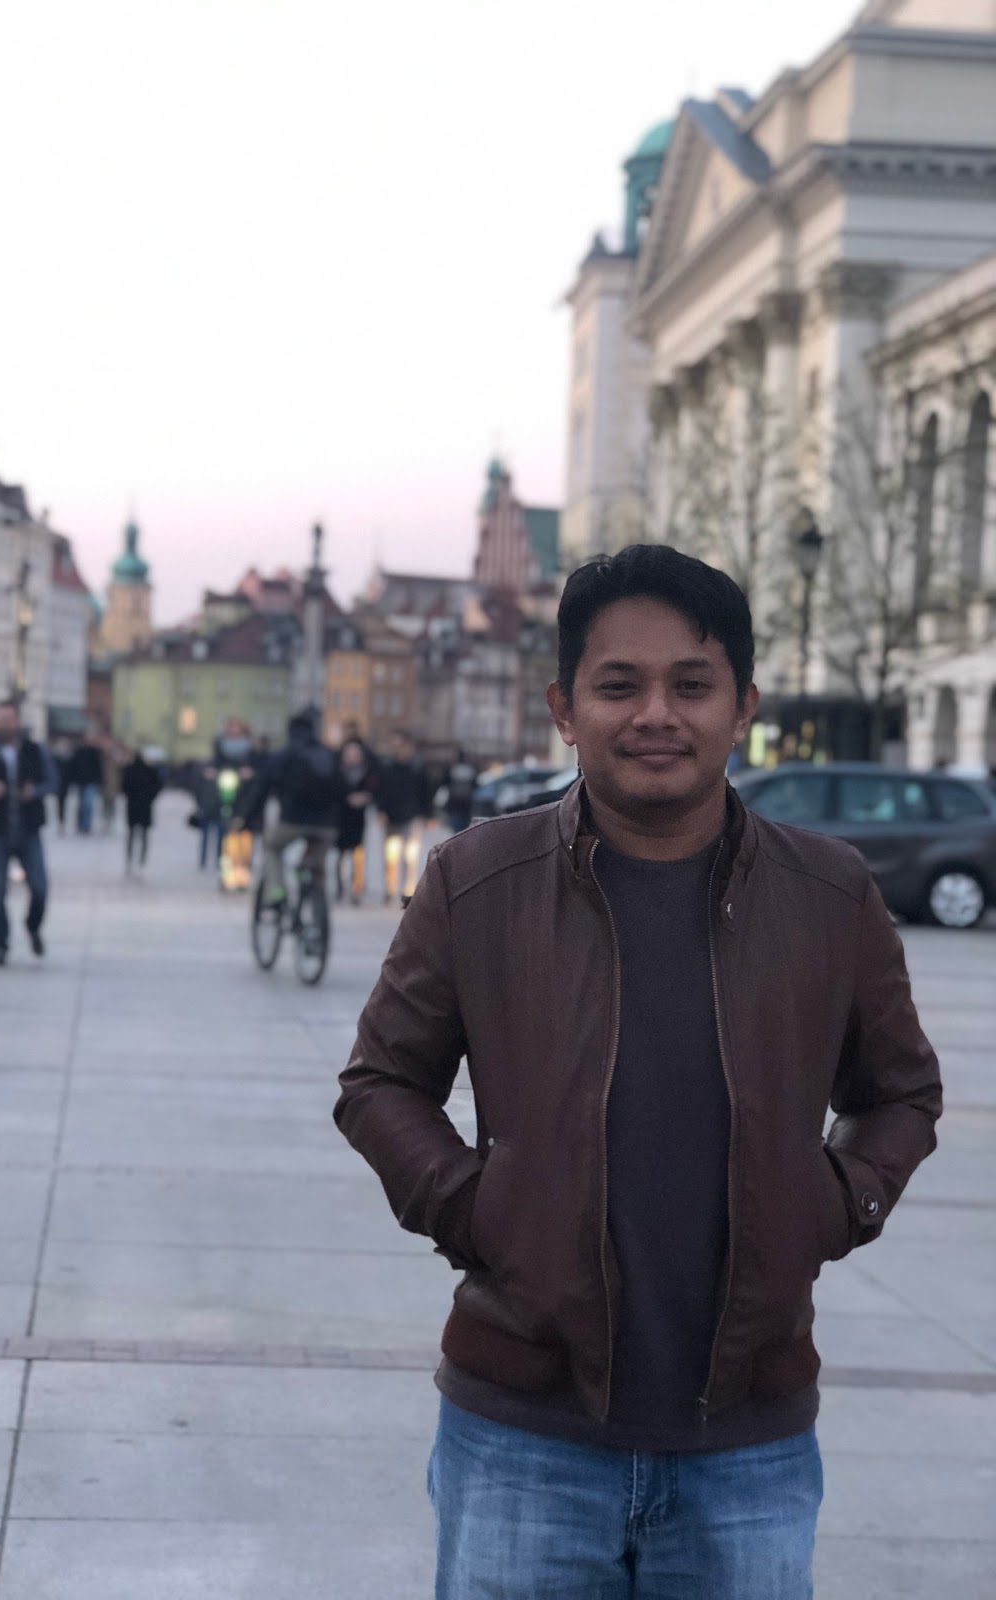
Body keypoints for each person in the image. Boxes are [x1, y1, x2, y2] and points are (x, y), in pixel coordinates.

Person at [334, 544, 942, 1600]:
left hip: (748, 1442)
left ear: (742, 707)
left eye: (691, 685)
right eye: (619, 685)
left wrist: (834, 1203)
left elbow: (902, 1093)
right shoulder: (477, 882)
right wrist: (478, 1211)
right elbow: (381, 1081)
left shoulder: (830, 895)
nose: (656, 714)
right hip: (522, 1431)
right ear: (565, 709)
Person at [0, 701, 55, 967]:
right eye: (2, 719)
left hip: (29, 829)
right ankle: (0, 943)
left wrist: (35, 791)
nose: (6, 724)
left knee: (40, 888)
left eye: (10, 719)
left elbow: (53, 782)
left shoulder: (35, 751)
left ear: (18, 721)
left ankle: (33, 926)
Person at [238, 712, 345, 906]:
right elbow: (342, 789)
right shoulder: (328, 755)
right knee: (317, 861)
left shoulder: (283, 755)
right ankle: (316, 894)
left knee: (271, 846)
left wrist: (246, 818)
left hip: (292, 822)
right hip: (326, 826)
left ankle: (277, 890)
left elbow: (260, 791)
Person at [374, 729, 432, 904]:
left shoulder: (417, 768)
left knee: (409, 856)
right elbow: (380, 790)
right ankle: (389, 889)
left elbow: (426, 792)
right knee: (390, 856)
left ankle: (406, 889)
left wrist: (427, 814)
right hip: (391, 817)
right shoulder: (386, 767)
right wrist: (381, 810)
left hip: (411, 816)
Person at [212, 718, 257, 891]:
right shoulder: (221, 746)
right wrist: (213, 773)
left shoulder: (250, 749)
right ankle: (225, 875)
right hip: (226, 796)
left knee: (244, 840)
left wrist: (249, 773)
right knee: (225, 838)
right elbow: (215, 764)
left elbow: (258, 768)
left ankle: (242, 876)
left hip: (245, 797)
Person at [335, 736, 376, 904]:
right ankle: (339, 888)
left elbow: (374, 790)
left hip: (357, 818)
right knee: (339, 855)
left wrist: (365, 797)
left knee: (357, 855)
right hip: (341, 817)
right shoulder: (337, 771)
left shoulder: (367, 772)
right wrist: (347, 798)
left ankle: (356, 888)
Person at [121, 749, 164, 873]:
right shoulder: (150, 771)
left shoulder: (129, 770)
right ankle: (142, 860)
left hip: (133, 806)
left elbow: (124, 787)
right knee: (144, 835)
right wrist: (150, 798)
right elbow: (158, 786)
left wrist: (130, 796)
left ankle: (129, 859)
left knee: (131, 834)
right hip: (145, 806)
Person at [70, 735, 103, 834]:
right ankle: (81, 824)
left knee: (88, 804)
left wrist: (98, 780)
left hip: (90, 782)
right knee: (82, 804)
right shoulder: (79, 752)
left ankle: (86, 825)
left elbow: (98, 767)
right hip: (81, 782)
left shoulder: (94, 752)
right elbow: (74, 767)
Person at [442, 747, 478, 834]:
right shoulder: (471, 769)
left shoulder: (452, 768)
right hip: (466, 804)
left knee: (455, 828)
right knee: (465, 828)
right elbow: (475, 785)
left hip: (454, 803)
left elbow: (444, 782)